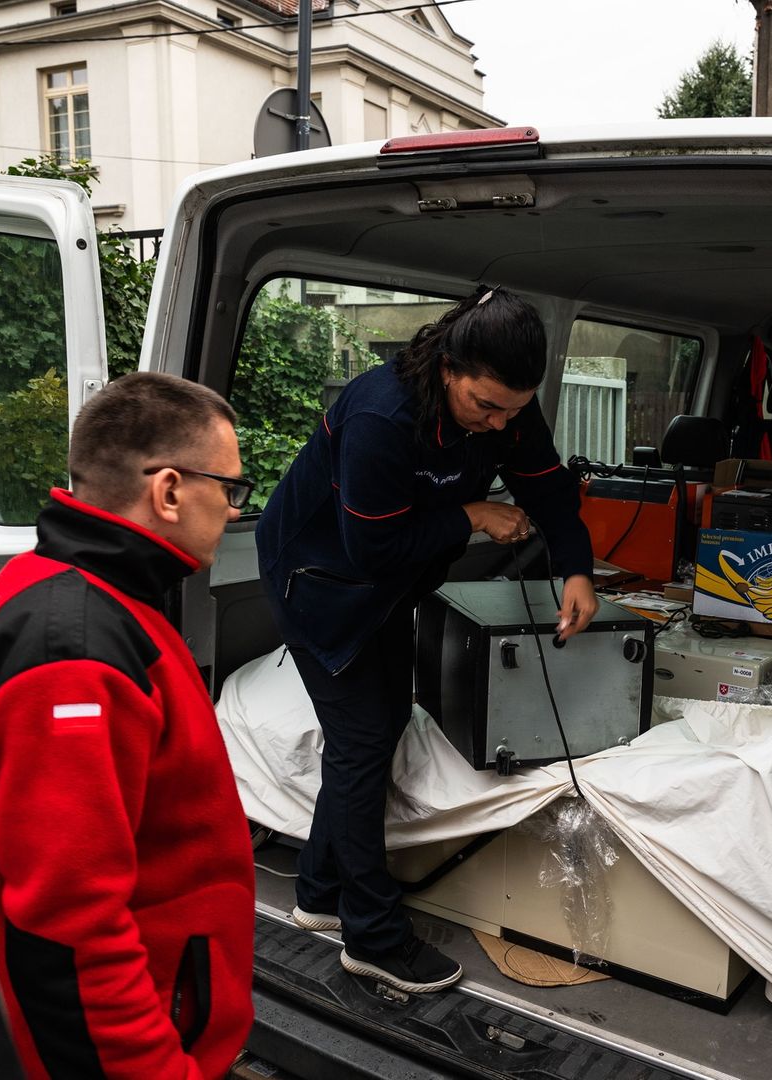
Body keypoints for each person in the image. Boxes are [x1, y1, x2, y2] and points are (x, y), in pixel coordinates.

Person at [257, 286, 597, 993]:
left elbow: (547, 490)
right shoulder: (381, 414)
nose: (500, 423)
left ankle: (319, 893)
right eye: (485, 407)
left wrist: (575, 569)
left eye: (512, 408)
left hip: (387, 580)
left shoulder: (506, 405)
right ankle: (372, 938)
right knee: (362, 739)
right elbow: (372, 546)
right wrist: (473, 513)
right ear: (448, 367)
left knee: (375, 733)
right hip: (320, 580)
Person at [0, 372, 256, 1079]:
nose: (235, 511)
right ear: (169, 490)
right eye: (230, 490)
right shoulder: (75, 653)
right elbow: (72, 930)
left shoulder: (69, 585)